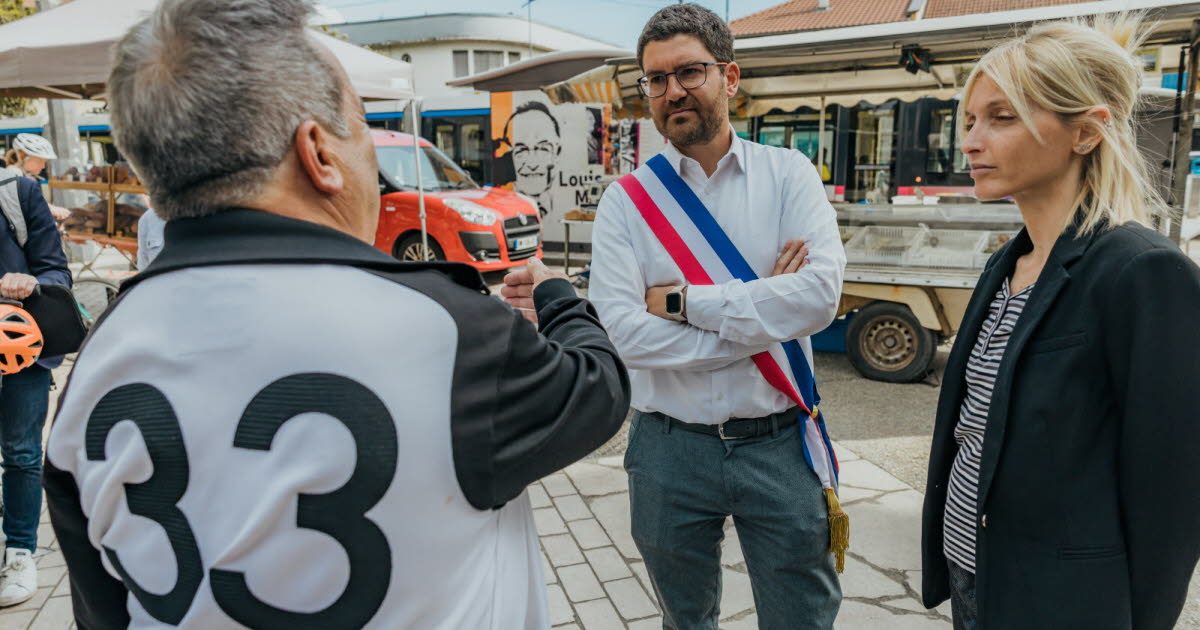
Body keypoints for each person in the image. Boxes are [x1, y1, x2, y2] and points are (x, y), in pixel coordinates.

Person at [43, 1, 630, 628]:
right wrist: (558, 296)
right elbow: (599, 387)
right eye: (364, 129)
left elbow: (105, 609)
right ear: (319, 152)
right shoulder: (442, 331)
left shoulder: (97, 362)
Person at [920, 15, 1200, 630]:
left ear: (1085, 132)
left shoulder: (1142, 271)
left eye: (1002, 117)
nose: (970, 141)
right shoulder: (1010, 261)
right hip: (978, 580)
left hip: (1064, 604)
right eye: (970, 120)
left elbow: (1172, 495)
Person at [577, 5, 847, 628]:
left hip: (779, 441)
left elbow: (818, 299)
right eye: (656, 79)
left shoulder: (788, 175)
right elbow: (624, 337)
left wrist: (685, 304)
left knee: (802, 617)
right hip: (670, 448)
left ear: (729, 77)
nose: (673, 91)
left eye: (689, 72)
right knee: (684, 620)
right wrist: (763, 313)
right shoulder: (626, 202)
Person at [0, 137, 71, 607]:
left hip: (17, 349)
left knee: (22, 452)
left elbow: (57, 273)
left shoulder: (17, 193)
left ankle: (21, 550)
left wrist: (32, 283)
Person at [5, 134, 71, 222]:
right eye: (39, 161)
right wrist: (49, 208)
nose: (43, 166)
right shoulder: (12, 174)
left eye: (45, 162)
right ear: (22, 156)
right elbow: (19, 204)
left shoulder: (29, 176)